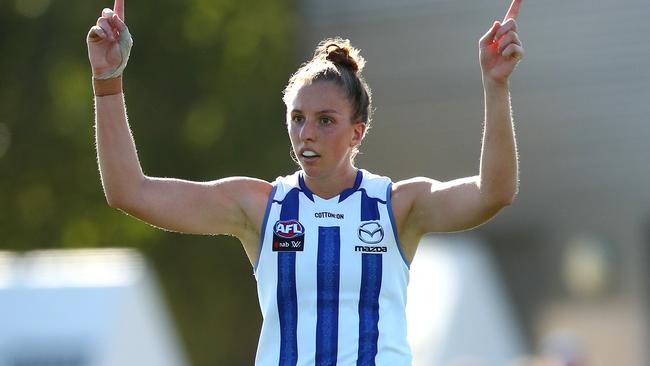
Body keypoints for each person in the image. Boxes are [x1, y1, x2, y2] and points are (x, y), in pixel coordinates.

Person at [86, 0, 524, 364]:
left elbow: (495, 192)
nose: (306, 133)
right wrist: (107, 81)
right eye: (297, 118)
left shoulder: (396, 206)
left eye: (325, 120)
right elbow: (129, 191)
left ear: (358, 131)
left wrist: (495, 85)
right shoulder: (259, 206)